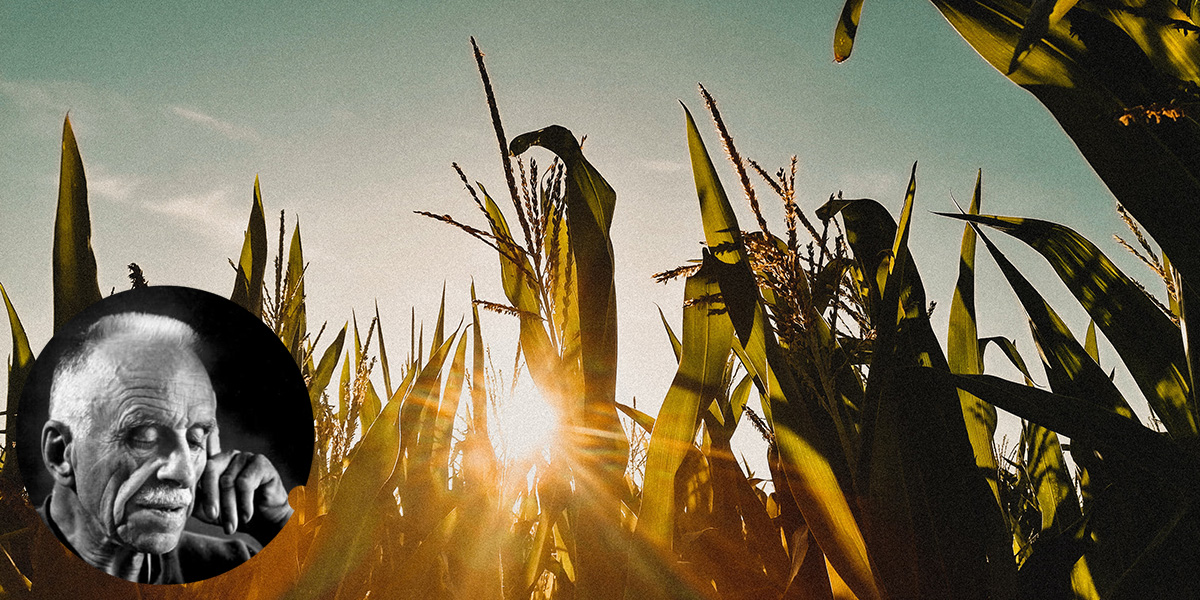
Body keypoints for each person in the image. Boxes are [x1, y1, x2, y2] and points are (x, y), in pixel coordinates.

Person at [36, 312, 293, 583]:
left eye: (195, 440)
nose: (185, 474)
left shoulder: (231, 568)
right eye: (144, 438)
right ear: (60, 453)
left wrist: (278, 525)